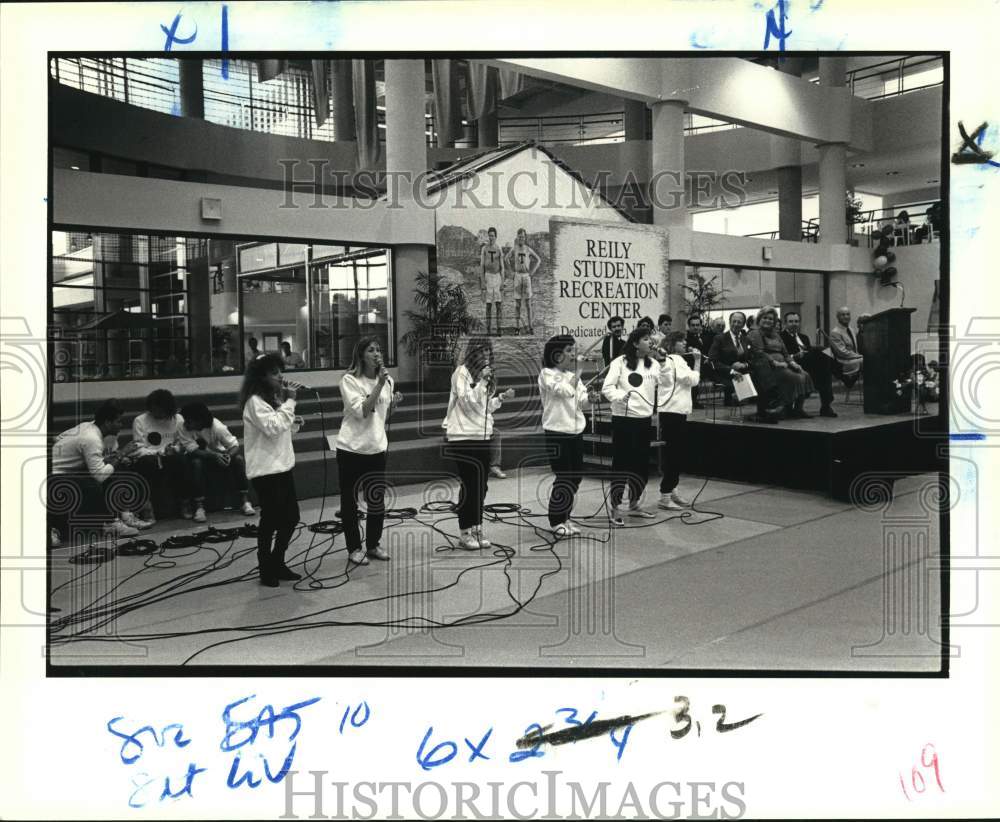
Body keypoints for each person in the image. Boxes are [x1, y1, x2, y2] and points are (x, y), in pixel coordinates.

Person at [336, 336, 403, 566]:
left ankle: (373, 544)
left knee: (376, 500)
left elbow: (379, 417)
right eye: (371, 350)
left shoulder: (388, 381)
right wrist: (379, 386)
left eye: (379, 349)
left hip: (376, 447)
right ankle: (354, 548)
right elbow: (363, 411)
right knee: (349, 501)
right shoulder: (349, 380)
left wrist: (392, 406)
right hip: (351, 448)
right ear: (361, 355)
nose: (377, 354)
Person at [240, 353, 306, 587]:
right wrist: (291, 402)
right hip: (266, 470)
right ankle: (265, 566)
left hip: (282, 466)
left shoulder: (273, 400)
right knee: (271, 519)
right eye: (275, 373)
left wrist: (293, 421)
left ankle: (278, 561)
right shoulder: (255, 402)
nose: (281, 376)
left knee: (291, 517)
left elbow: (280, 429)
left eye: (281, 371)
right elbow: (272, 427)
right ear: (261, 377)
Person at [443, 337, 515, 549]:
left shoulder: (486, 375)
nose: (484, 355)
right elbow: (467, 403)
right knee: (470, 484)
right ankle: (465, 531)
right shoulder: (461, 373)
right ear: (472, 353)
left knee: (481, 486)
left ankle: (477, 527)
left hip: (482, 435)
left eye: (487, 351)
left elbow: (483, 407)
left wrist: (499, 398)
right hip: (463, 436)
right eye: (480, 351)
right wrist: (483, 381)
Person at [50, 399, 148, 545]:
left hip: (67, 470)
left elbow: (57, 438)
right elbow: (100, 476)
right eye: (119, 421)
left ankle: (125, 515)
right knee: (96, 481)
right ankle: (110, 523)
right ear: (108, 423)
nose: (121, 425)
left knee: (117, 467)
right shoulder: (92, 438)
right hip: (55, 475)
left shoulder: (87, 426)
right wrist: (121, 454)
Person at [538, 335, 600, 537]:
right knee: (564, 477)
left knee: (575, 477)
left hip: (575, 431)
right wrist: (579, 370)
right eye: (569, 350)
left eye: (574, 350)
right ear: (556, 354)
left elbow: (580, 401)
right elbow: (563, 391)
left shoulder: (573, 376)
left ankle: (565, 516)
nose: (573, 354)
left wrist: (590, 398)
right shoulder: (547, 374)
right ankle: (556, 520)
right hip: (557, 432)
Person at [601, 327, 661, 526]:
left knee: (641, 465)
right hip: (624, 420)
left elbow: (664, 384)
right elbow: (607, 388)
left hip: (644, 419)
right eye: (646, 339)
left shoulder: (654, 364)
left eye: (650, 339)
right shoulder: (620, 362)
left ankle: (634, 504)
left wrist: (667, 360)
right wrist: (621, 397)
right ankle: (615, 507)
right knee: (622, 464)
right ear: (635, 343)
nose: (650, 342)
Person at [177, 402, 255, 523]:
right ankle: (199, 507)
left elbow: (234, 445)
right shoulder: (183, 427)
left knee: (238, 459)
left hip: (218, 455)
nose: (186, 424)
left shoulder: (217, 427)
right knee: (196, 463)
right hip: (199, 457)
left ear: (199, 421)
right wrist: (215, 455)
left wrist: (227, 456)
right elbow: (192, 450)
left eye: (189, 421)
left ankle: (245, 501)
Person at [655, 331, 701, 511]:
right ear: (673, 344)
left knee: (675, 453)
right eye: (681, 342)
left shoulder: (675, 361)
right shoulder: (675, 360)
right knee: (674, 455)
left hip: (674, 411)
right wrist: (697, 361)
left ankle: (671, 490)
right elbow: (693, 380)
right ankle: (665, 496)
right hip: (672, 412)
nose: (685, 344)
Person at [131, 389, 187, 524]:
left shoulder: (178, 419)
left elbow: (184, 442)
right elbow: (138, 448)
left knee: (181, 460)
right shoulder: (140, 421)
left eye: (160, 410)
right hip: (150, 456)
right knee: (145, 463)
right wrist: (159, 452)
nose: (156, 413)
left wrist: (174, 449)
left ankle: (184, 503)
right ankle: (147, 509)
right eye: (153, 409)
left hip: (170, 456)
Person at [748, 306, 814, 420]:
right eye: (765, 318)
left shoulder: (776, 334)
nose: (768, 320)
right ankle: (783, 407)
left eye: (771, 319)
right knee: (795, 378)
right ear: (759, 319)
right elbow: (760, 353)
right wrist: (775, 363)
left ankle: (798, 409)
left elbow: (786, 353)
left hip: (783, 364)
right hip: (768, 367)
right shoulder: (755, 333)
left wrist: (793, 363)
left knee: (804, 374)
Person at [781, 312, 837, 417]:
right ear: (785, 323)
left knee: (825, 367)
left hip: (809, 364)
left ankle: (826, 406)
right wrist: (795, 356)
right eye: (791, 321)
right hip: (794, 363)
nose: (794, 324)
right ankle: (826, 405)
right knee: (822, 351)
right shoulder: (781, 337)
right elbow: (782, 355)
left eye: (796, 321)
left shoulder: (804, 337)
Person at [707, 311, 751, 406]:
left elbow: (752, 358)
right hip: (724, 373)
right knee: (738, 402)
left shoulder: (746, 339)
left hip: (744, 372)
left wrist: (744, 365)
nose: (736, 324)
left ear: (743, 324)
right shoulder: (719, 338)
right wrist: (731, 370)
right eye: (733, 321)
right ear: (729, 322)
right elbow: (713, 360)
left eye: (739, 322)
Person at [506, 228, 540, 336]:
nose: (521, 238)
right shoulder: (514, 249)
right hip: (517, 276)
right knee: (517, 304)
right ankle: (517, 327)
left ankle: (530, 326)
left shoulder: (528, 249)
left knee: (528, 304)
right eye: (519, 237)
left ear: (525, 238)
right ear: (517, 237)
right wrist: (511, 272)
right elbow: (506, 258)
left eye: (523, 237)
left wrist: (532, 271)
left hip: (526, 276)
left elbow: (538, 260)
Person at [480, 227, 506, 337]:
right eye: (489, 235)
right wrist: (482, 283)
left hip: (497, 277)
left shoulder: (499, 248)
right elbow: (481, 266)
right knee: (488, 305)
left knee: (499, 305)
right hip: (488, 277)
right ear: (488, 237)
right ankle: (488, 329)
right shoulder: (484, 249)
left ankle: (499, 329)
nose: (491, 238)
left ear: (496, 237)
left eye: (493, 236)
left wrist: (502, 282)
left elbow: (502, 267)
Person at [829, 306, 864, 378]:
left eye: (848, 314)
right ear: (838, 317)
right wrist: (859, 356)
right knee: (868, 361)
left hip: (854, 359)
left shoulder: (851, 329)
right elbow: (843, 353)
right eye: (843, 315)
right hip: (844, 362)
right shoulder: (835, 332)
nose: (846, 317)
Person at [684, 315, 708, 409]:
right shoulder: (686, 338)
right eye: (693, 325)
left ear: (700, 326)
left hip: (703, 363)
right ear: (689, 326)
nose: (695, 327)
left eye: (697, 325)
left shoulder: (704, 337)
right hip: (691, 364)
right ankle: (693, 400)